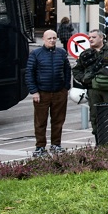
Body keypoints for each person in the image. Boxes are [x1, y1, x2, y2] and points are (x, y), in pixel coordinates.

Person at [72, 28, 108, 140]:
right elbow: (76, 70)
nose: (91, 39)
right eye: (89, 37)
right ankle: (99, 139)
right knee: (95, 116)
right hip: (93, 90)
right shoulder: (85, 54)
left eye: (94, 37)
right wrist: (83, 79)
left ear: (101, 38)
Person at [26, 29, 71, 157]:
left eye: (54, 38)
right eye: (49, 38)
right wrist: (34, 91)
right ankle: (40, 147)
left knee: (58, 121)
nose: (52, 40)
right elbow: (29, 73)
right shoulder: (36, 54)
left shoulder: (62, 53)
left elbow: (67, 70)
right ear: (44, 40)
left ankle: (56, 145)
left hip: (59, 93)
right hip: (42, 93)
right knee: (40, 122)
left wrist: (66, 87)